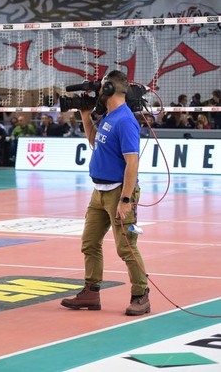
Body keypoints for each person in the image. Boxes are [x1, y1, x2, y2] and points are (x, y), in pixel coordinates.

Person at [61, 70, 150, 316]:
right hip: (99, 192)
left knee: (126, 248)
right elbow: (94, 142)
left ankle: (141, 295)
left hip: (118, 193)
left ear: (110, 89)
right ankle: (91, 292)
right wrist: (85, 115)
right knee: (90, 243)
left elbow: (132, 163)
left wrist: (126, 199)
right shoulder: (109, 116)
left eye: (101, 86)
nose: (98, 91)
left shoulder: (125, 120)